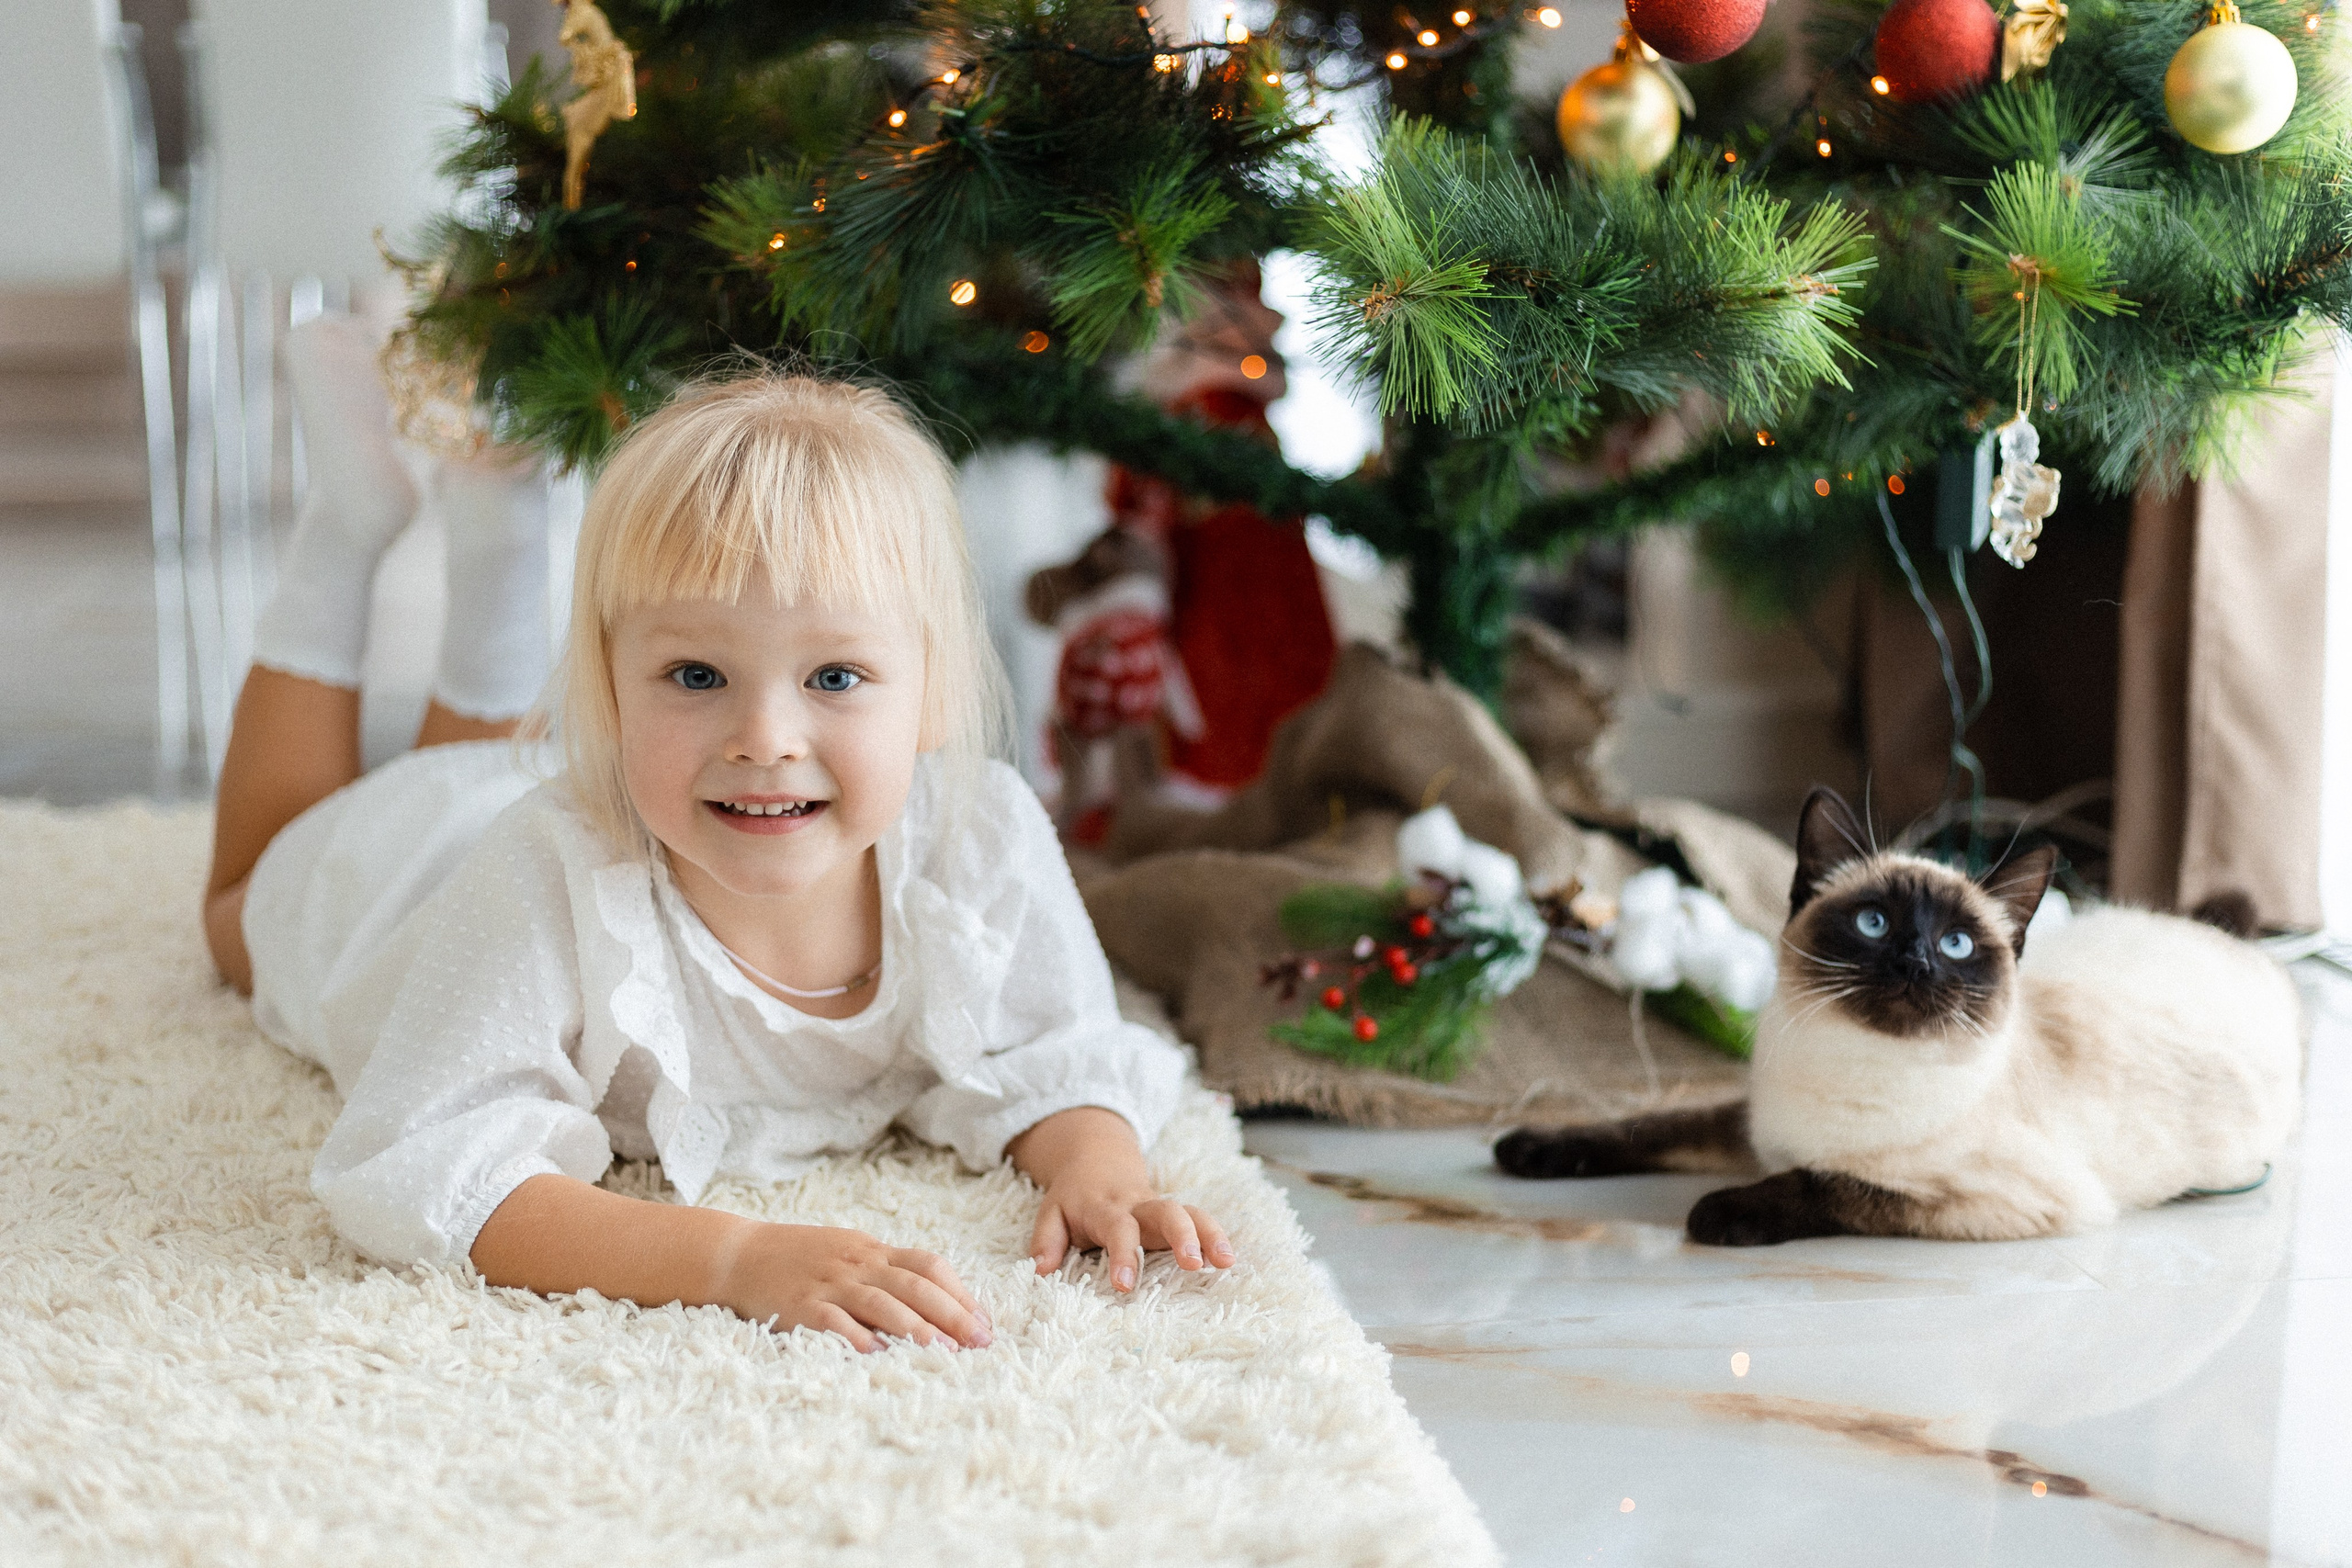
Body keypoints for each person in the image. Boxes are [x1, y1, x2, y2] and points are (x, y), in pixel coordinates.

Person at [200, 363, 1227, 1353]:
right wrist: (733, 1260)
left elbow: (1053, 1046)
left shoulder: (979, 832)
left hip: (525, 799)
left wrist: (1102, 1170)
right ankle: (347, 530)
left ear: (937, 690)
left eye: (834, 674)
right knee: (236, 906)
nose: (765, 737)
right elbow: (428, 1167)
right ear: (606, 693)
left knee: (470, 757)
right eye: (696, 673)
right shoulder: (544, 875)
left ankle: (490, 520)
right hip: (404, 877)